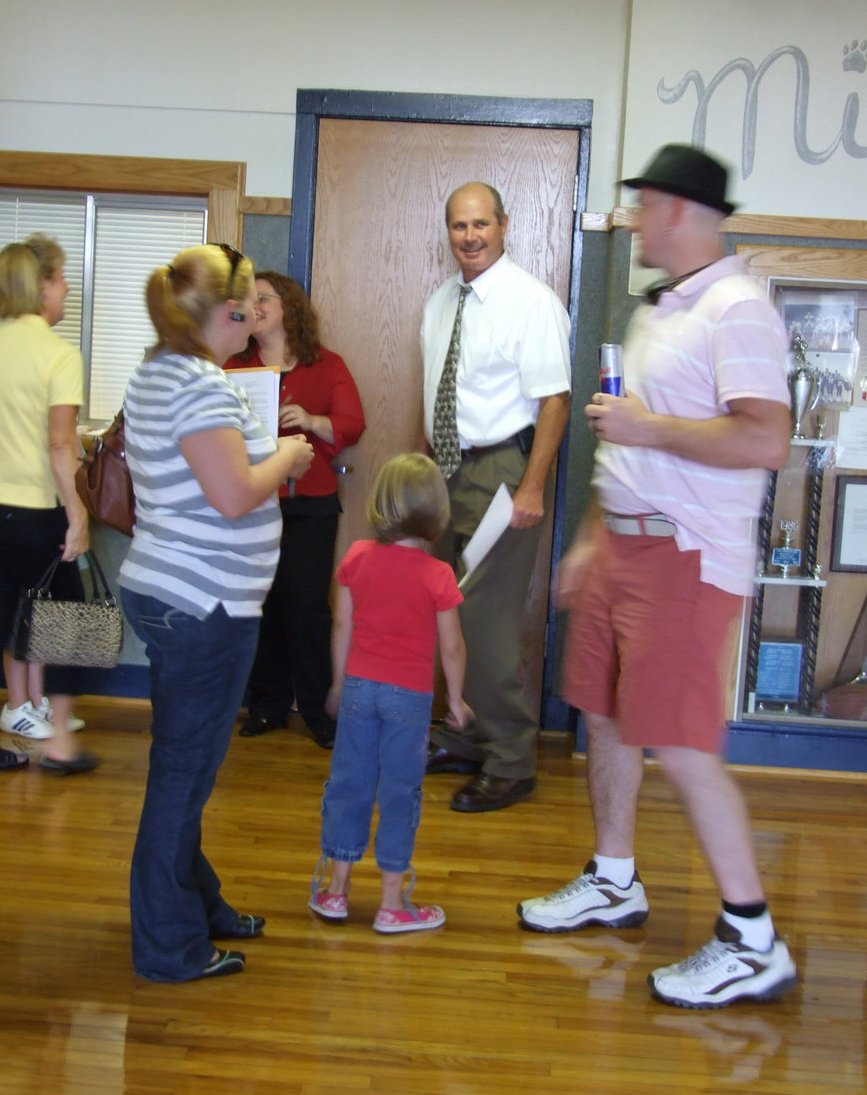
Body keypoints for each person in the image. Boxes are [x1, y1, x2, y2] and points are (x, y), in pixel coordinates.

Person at [517, 144, 799, 1010]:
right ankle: (613, 880)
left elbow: (766, 438)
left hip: (687, 556)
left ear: (678, 209)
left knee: (679, 743)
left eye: (643, 205)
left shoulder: (738, 310)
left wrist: (650, 430)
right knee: (602, 711)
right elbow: (629, 446)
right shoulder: (662, 308)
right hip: (623, 546)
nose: (635, 221)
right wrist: (591, 539)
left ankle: (752, 939)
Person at [118, 243, 314, 982]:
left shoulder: (160, 369)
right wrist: (288, 458)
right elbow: (233, 495)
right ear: (228, 312)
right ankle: (169, 948)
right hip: (203, 603)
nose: (258, 313)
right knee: (182, 775)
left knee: (187, 768)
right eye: (251, 303)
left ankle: (200, 906)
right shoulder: (199, 384)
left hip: (179, 593)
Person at [420, 181, 572, 812]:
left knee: (483, 617)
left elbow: (555, 400)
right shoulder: (441, 302)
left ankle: (510, 760)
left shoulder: (531, 301)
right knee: (447, 610)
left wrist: (531, 487)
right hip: (447, 471)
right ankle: (466, 734)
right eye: (459, 226)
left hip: (505, 470)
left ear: (504, 226)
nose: (470, 236)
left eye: (481, 224)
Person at [309, 453, 470, 932]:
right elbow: (453, 647)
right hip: (409, 700)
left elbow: (342, 625)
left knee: (350, 784)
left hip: (359, 689)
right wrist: (456, 700)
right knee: (400, 792)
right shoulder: (439, 575)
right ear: (436, 512)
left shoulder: (356, 557)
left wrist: (337, 685)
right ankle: (392, 904)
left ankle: (336, 891)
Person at [0, 235, 95, 776]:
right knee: (69, 616)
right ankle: (60, 740)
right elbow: (62, 445)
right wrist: (78, 514)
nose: (65, 287)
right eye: (61, 277)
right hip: (34, 510)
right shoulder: (58, 354)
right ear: (41, 286)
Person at [226, 271, 365, 748]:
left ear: (289, 307)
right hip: (251, 501)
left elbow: (353, 424)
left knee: (306, 609)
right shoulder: (233, 366)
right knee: (259, 605)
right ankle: (267, 705)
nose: (255, 306)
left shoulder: (326, 364)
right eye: (250, 299)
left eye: (263, 298)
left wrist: (311, 420)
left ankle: (318, 709)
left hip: (309, 505)